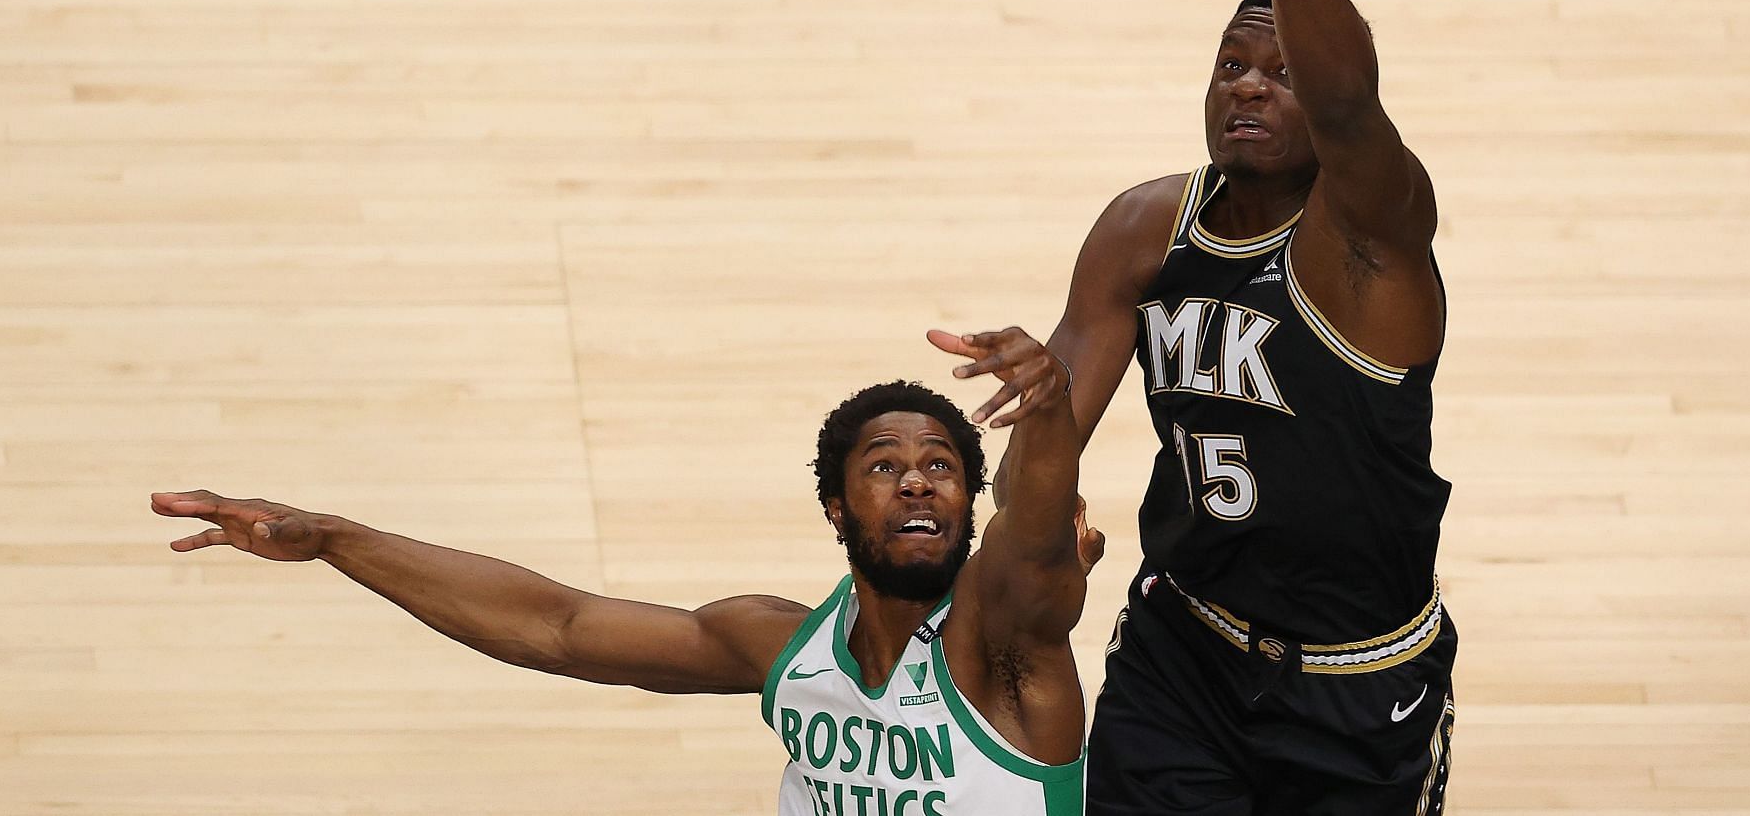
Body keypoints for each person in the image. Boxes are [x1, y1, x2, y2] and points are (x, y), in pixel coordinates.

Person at [968, 0, 1455, 813]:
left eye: (1281, 74)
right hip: (1183, 646)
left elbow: (1354, 110)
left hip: (1358, 685)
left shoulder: (1377, 248)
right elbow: (1032, 468)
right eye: (1232, 64)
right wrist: (1045, 440)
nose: (1249, 88)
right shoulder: (1146, 228)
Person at [151, 328, 1086, 816]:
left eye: (942, 466)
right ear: (837, 510)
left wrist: (1045, 403)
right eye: (884, 465)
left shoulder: (1004, 649)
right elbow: (555, 626)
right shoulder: (783, 649)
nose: (918, 478)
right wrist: (333, 540)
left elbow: (1039, 527)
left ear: (970, 504)